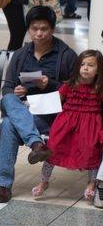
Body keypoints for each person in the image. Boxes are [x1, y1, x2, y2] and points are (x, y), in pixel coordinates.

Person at [0, 6, 78, 203]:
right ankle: (37, 143)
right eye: (35, 28)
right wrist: (16, 91)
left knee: (8, 124)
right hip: (24, 109)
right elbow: (7, 88)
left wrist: (51, 84)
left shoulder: (66, 55)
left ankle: (3, 185)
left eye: (44, 29)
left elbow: (75, 91)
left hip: (50, 115)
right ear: (29, 29)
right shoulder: (21, 54)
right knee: (9, 99)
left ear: (52, 29)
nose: (39, 33)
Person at [32, 50, 103, 200]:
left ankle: (91, 182)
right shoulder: (70, 84)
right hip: (65, 124)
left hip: (90, 126)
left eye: (91, 65)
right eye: (82, 64)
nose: (85, 68)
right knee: (52, 149)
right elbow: (55, 99)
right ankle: (44, 181)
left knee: (91, 150)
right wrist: (34, 103)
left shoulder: (99, 88)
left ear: (99, 69)